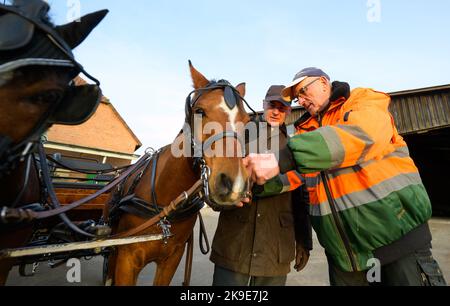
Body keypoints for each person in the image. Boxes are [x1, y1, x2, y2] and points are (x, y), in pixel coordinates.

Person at [243, 68, 447, 286]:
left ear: (323, 82)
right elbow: (293, 176)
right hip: (344, 257)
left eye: (303, 91)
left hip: (397, 244)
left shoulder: (361, 101)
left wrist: (283, 158)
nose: (300, 101)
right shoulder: (304, 133)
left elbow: (362, 134)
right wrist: (249, 184)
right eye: (297, 98)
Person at [210, 85, 312, 286]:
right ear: (263, 105)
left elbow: (301, 199)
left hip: (274, 248)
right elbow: (219, 177)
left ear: (288, 111)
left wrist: (304, 242)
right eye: (272, 105)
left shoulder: (294, 148)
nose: (276, 111)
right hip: (235, 242)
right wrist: (222, 200)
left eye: (282, 107)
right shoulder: (239, 135)